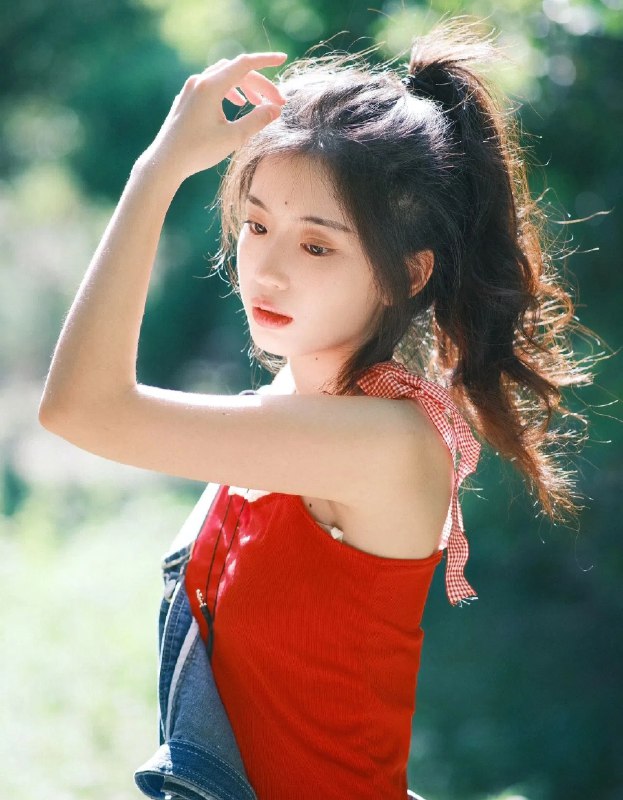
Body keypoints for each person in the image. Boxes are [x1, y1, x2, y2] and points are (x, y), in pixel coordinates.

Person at [38, 16, 594, 800]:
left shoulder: (378, 442)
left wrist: (156, 172)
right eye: (256, 224)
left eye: (316, 245)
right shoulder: (288, 408)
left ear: (407, 273)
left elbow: (82, 409)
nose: (265, 269)